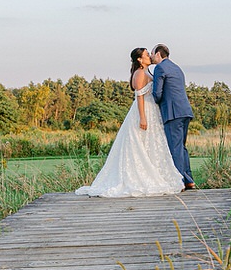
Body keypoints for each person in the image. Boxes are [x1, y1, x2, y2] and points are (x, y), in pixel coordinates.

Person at [75, 48, 185, 197]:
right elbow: (139, 97)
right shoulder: (139, 74)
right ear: (140, 59)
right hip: (144, 110)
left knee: (151, 144)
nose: (149, 57)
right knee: (140, 144)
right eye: (146, 55)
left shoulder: (147, 72)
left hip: (152, 110)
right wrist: (143, 117)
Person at [151, 44, 196, 189]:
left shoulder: (160, 68)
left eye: (152, 53)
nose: (151, 56)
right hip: (185, 111)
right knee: (181, 147)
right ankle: (189, 179)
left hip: (172, 112)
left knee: (175, 148)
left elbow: (157, 94)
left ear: (158, 54)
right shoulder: (177, 68)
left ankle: (179, 181)